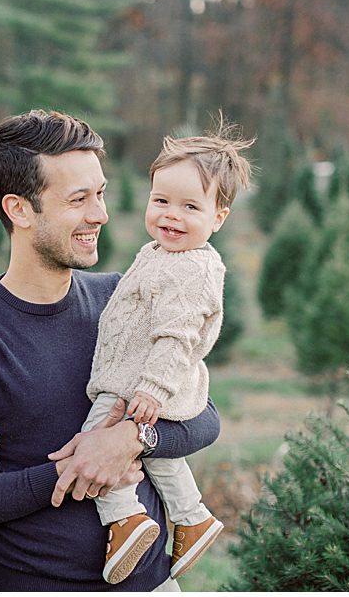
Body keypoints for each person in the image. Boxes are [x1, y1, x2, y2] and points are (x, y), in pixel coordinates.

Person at [0, 110, 222, 591]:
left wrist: (131, 438)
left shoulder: (118, 299)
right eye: (79, 199)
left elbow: (205, 416)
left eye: (100, 194)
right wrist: (72, 469)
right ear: (19, 209)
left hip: (154, 583)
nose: (100, 213)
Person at [86, 119, 254, 584]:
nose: (171, 216)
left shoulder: (192, 268)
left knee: (98, 437)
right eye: (161, 201)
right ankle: (191, 514)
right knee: (161, 457)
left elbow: (177, 337)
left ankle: (124, 518)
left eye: (189, 207)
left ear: (218, 217)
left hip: (138, 385)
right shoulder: (159, 254)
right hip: (135, 378)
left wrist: (153, 389)